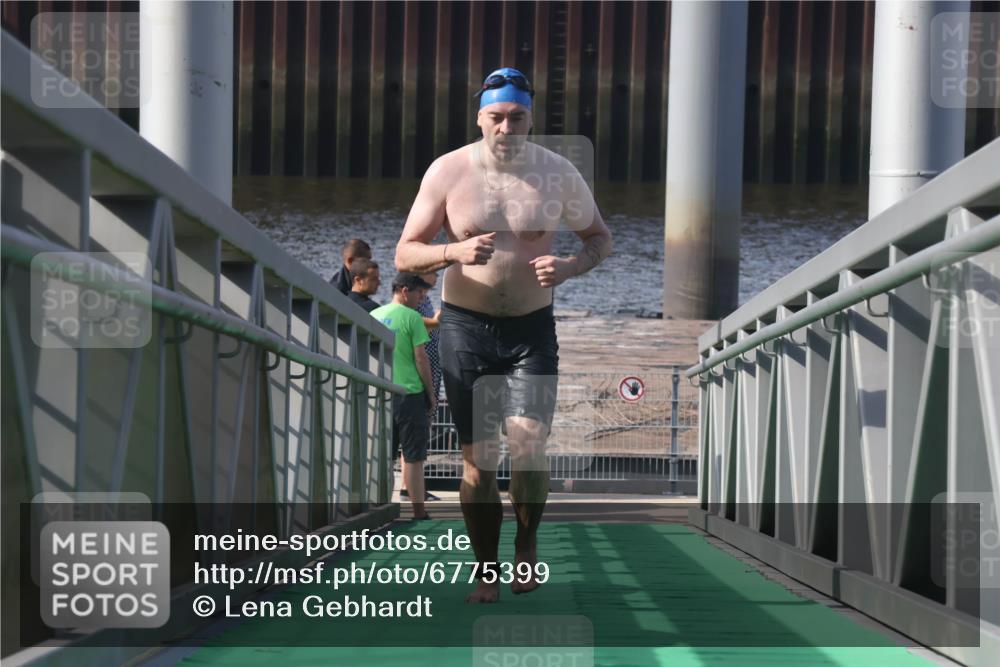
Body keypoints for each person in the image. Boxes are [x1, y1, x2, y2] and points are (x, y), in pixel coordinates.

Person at [393, 67, 613, 602]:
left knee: (529, 445)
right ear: (479, 118)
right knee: (478, 460)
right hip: (465, 328)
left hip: (531, 330)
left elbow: (599, 239)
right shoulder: (448, 172)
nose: (506, 128)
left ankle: (527, 545)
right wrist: (452, 252)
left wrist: (570, 266)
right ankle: (486, 568)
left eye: (517, 118)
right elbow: (405, 252)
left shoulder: (558, 174)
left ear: (531, 119)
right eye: (496, 117)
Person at [370, 273, 438, 520]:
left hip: (380, 391)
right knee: (414, 457)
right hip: (409, 393)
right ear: (405, 290)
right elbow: (421, 358)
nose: (422, 299)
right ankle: (418, 511)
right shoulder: (413, 318)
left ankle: (380, 507)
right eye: (420, 293)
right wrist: (431, 394)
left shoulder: (374, 316)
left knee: (382, 455)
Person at [400, 271, 442, 502]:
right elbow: (410, 321)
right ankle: (411, 488)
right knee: (417, 430)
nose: (437, 276)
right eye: (434, 272)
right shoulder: (414, 297)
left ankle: (412, 485)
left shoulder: (424, 297)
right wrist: (436, 321)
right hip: (422, 370)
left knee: (423, 428)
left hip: (433, 369)